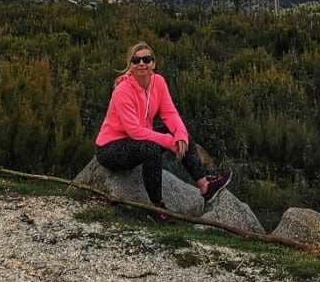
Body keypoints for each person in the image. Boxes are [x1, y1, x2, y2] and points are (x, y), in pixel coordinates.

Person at [94, 41, 232, 221]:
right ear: (130, 65)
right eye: (136, 60)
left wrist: (180, 136)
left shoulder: (158, 82)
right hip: (110, 148)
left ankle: (204, 184)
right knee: (151, 148)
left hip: (137, 141)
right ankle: (157, 207)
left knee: (178, 132)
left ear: (153, 63)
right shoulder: (122, 91)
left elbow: (170, 113)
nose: (142, 63)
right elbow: (134, 131)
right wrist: (169, 141)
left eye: (146, 59)